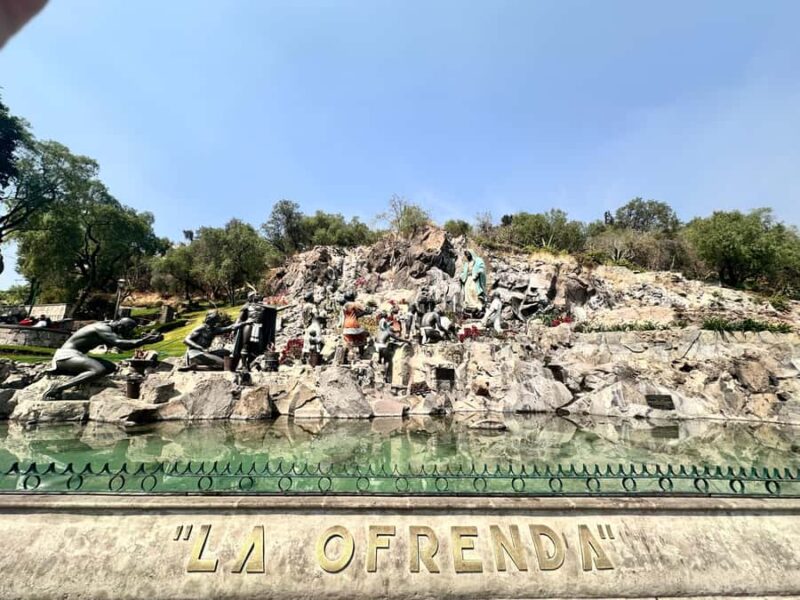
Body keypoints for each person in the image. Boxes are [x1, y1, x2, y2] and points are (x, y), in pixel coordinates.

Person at [43, 318, 163, 400]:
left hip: (77, 356)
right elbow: (120, 343)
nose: (125, 333)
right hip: (66, 356)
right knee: (99, 369)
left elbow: (124, 346)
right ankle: (58, 388)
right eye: (126, 330)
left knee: (110, 367)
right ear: (120, 325)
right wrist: (145, 340)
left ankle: (82, 381)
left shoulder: (108, 328)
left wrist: (146, 340)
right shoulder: (102, 328)